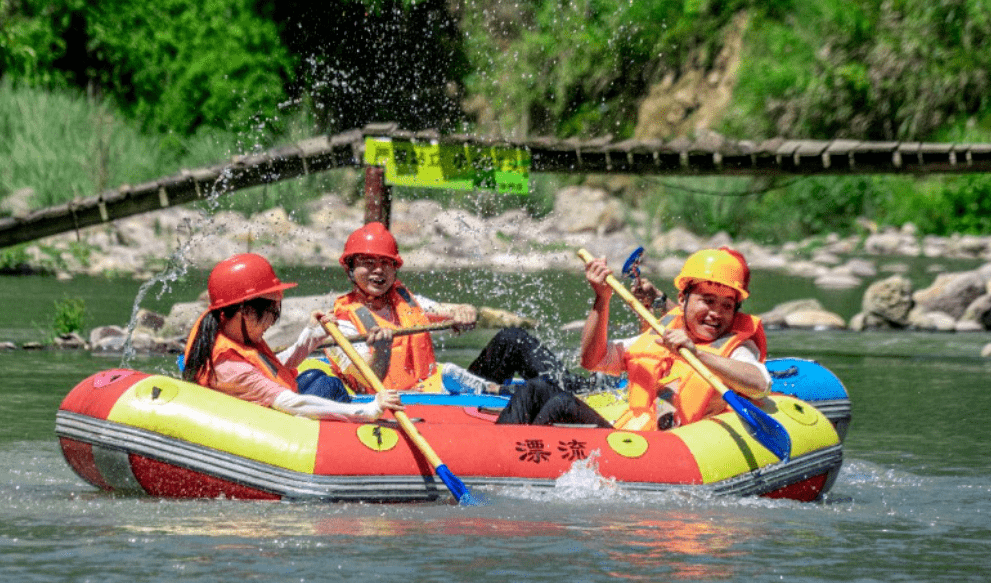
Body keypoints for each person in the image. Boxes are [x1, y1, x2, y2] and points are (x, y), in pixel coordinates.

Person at [327, 222, 617, 398]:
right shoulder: (341, 322)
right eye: (367, 262)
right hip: (399, 403)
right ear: (350, 268)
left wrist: (464, 312)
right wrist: (382, 350)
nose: (378, 271)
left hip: (441, 392)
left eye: (385, 263)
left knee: (512, 338)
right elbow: (368, 379)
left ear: (394, 268)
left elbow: (449, 309)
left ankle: (575, 387)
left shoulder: (405, 299)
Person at [182, 252, 403, 422]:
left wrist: (313, 335)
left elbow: (273, 367)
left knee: (314, 377)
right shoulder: (228, 366)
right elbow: (292, 404)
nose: (272, 321)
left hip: (265, 411)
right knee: (329, 385)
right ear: (244, 311)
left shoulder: (227, 330)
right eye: (270, 313)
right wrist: (368, 410)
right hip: (270, 426)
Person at [580, 247, 772, 431]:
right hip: (638, 437)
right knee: (555, 400)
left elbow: (760, 384)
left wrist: (697, 354)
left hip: (689, 447)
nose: (716, 313)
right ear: (682, 300)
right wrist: (602, 298)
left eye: (727, 306)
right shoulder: (660, 335)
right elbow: (593, 360)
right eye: (708, 301)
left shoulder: (737, 349)